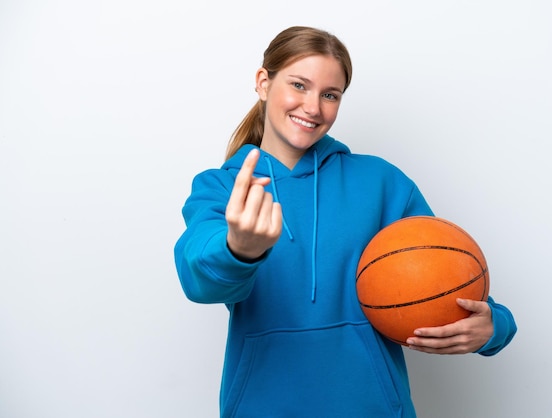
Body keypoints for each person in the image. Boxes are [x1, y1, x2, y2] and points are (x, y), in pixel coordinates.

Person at [174, 26, 517, 418]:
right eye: (299, 85)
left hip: (374, 408)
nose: (313, 108)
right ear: (263, 83)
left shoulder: (381, 183)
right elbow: (197, 277)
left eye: (330, 95)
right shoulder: (221, 187)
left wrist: (495, 327)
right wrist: (239, 249)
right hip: (262, 407)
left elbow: (445, 277)